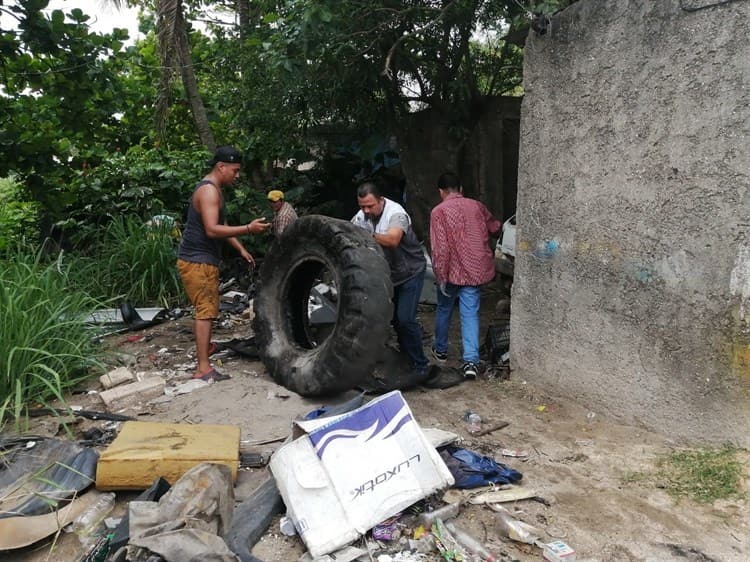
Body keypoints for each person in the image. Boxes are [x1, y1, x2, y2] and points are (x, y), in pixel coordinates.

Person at [177, 145, 270, 382]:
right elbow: (212, 229)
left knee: (208, 309)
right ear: (221, 166)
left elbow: (223, 225)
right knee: (205, 312)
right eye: (235, 170)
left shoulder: (215, 189)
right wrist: (249, 228)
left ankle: (205, 351)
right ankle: (203, 368)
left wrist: (240, 248)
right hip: (198, 261)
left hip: (202, 260)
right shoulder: (209, 192)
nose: (237, 175)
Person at [352, 181, 430, 376]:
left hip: (411, 271)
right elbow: (349, 233)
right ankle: (406, 358)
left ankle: (420, 365)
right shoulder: (361, 217)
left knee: (405, 319)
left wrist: (366, 234)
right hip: (389, 275)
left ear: (381, 200)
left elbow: (393, 240)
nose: (366, 211)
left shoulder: (397, 214)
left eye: (370, 205)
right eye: (362, 206)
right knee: (393, 319)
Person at [429, 172, 501, 379]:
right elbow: (494, 227)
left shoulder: (438, 212)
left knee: (444, 308)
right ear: (461, 189)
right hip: (474, 270)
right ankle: (470, 361)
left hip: (450, 272)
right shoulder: (476, 206)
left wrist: (440, 275)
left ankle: (440, 350)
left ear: (441, 192)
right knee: (470, 312)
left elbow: (440, 248)